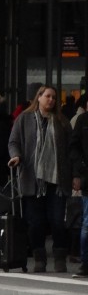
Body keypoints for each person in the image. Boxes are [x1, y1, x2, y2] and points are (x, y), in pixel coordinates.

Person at [7, 85, 72, 273]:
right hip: (32, 179)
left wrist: (74, 173)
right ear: (39, 97)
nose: (51, 100)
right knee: (35, 222)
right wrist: (16, 156)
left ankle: (60, 257)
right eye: (47, 96)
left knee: (58, 220)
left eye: (53, 97)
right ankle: (39, 258)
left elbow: (70, 147)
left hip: (56, 180)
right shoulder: (24, 119)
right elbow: (13, 141)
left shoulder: (61, 121)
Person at [69, 112, 88, 277]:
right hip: (87, 175)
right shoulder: (83, 120)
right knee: (87, 222)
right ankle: (85, 263)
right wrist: (80, 169)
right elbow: (74, 147)